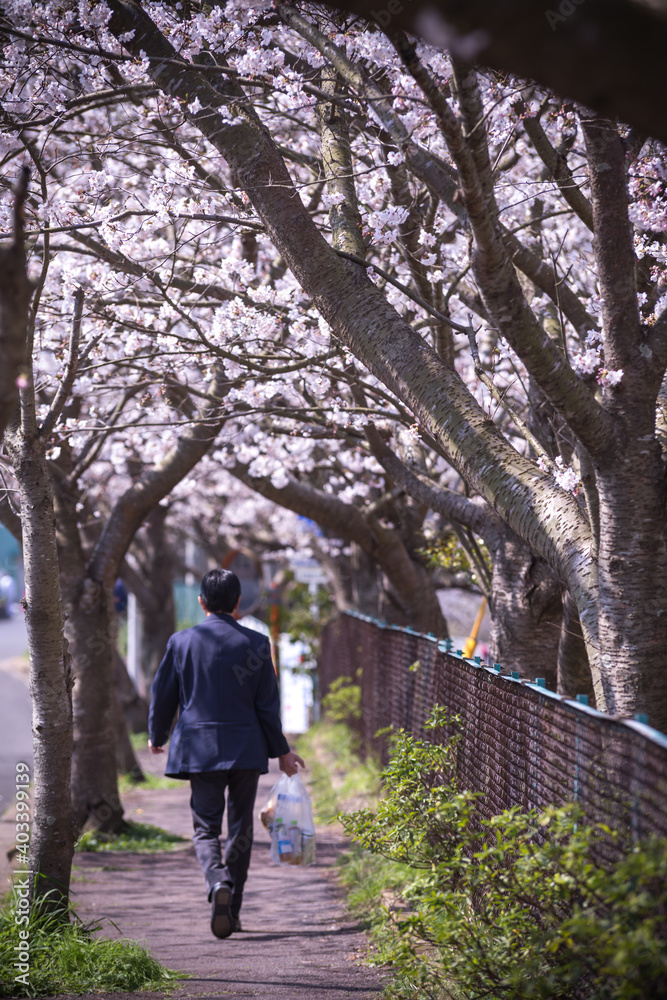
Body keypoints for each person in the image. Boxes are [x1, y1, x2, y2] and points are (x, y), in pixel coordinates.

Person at [148, 568, 304, 939]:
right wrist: (280, 751)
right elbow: (268, 705)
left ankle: (217, 880)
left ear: (201, 602)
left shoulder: (181, 642)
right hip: (246, 749)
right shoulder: (256, 643)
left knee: (205, 828)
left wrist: (157, 734)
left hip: (198, 749)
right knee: (240, 829)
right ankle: (231, 913)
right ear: (238, 603)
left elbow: (163, 693)